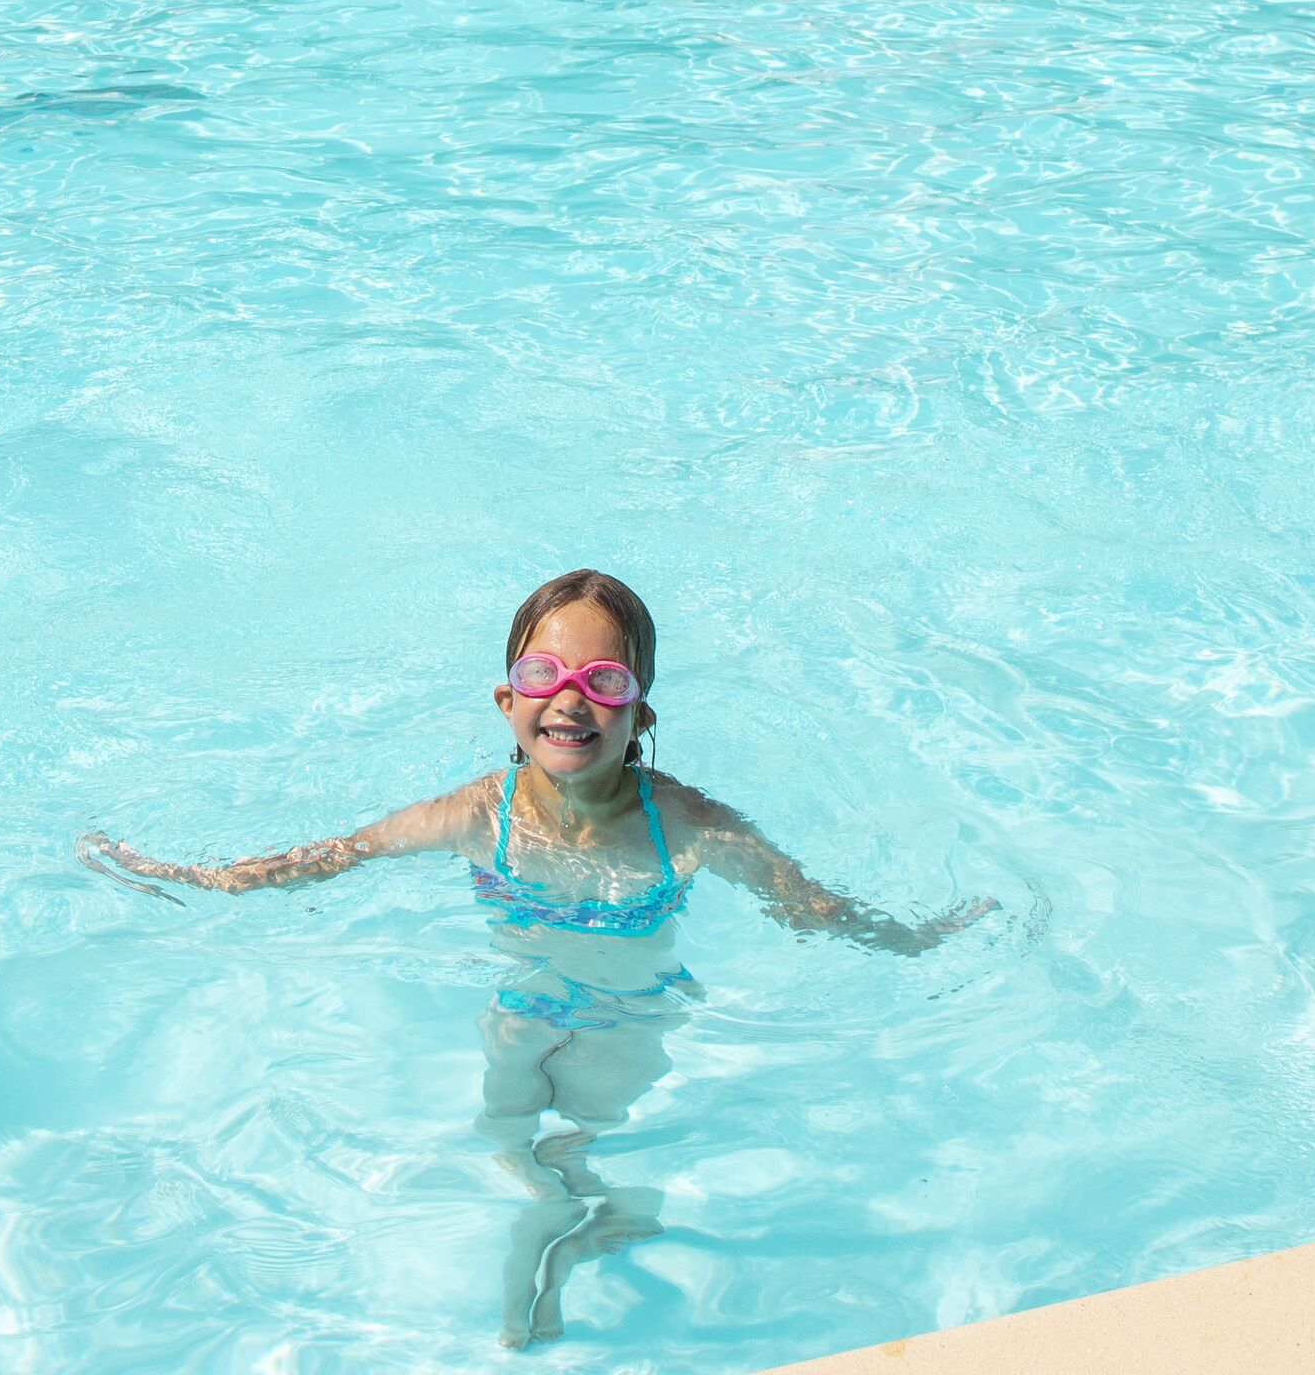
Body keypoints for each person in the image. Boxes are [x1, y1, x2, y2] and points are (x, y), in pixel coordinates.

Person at [83, 568, 986, 1347]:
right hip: (527, 998)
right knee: (507, 1128)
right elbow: (331, 859)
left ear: (639, 714)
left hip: (633, 1010)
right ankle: (581, 1215)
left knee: (582, 1121)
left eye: (603, 679)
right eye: (542, 673)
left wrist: (913, 938)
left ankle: (576, 1222)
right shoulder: (476, 815)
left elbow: (810, 908)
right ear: (506, 702)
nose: (569, 698)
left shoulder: (686, 826)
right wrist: (188, 878)